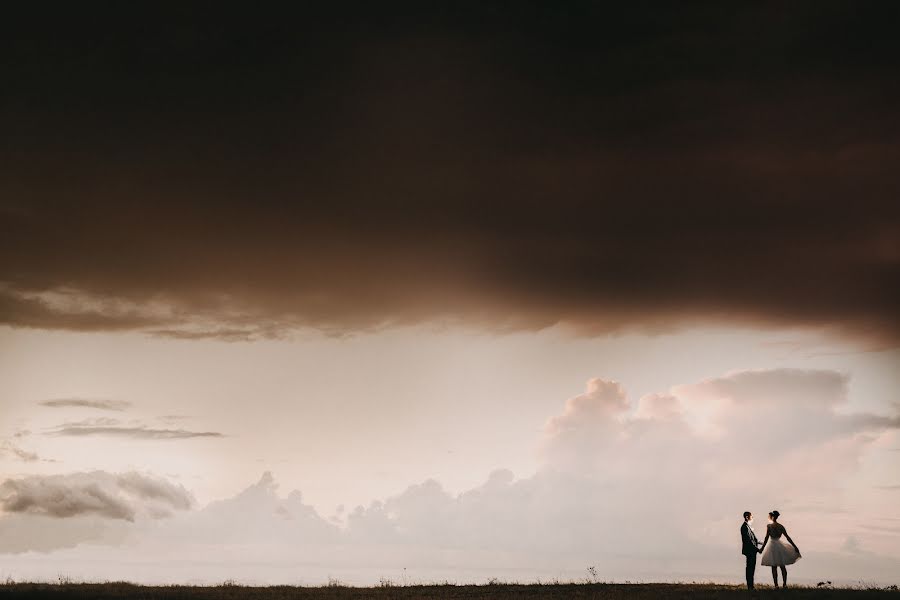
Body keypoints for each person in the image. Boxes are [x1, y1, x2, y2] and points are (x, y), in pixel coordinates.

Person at [759, 510, 801, 588]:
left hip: (772, 547)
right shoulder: (781, 526)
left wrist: (762, 548)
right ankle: (784, 584)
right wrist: (795, 546)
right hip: (779, 546)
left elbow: (766, 538)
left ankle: (776, 585)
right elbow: (788, 537)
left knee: (774, 566)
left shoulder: (769, 526)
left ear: (772, 516)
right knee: (782, 566)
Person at [740, 511, 762, 594]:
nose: (752, 518)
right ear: (747, 517)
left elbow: (754, 540)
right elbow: (749, 541)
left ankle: (751, 586)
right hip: (750, 551)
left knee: (751, 569)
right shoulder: (744, 527)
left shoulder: (747, 527)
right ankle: (750, 586)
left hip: (752, 551)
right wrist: (757, 549)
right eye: (751, 517)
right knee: (750, 569)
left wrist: (763, 542)